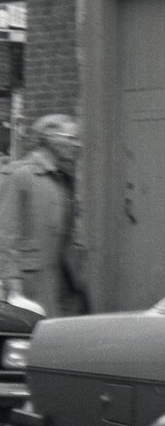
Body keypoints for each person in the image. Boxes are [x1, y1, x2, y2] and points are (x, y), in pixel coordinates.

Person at [0, 114, 86, 315]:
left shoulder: (64, 179)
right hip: (31, 287)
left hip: (63, 285)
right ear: (50, 139)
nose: (77, 145)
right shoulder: (20, 175)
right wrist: (13, 290)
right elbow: (5, 236)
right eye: (71, 138)